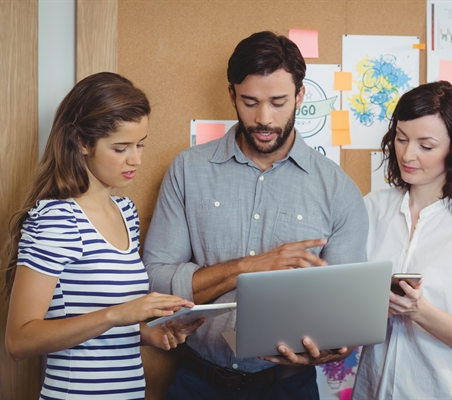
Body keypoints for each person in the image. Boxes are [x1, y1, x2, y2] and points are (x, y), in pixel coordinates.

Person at [143, 31, 369, 399]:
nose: (264, 118)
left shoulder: (339, 190)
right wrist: (249, 267)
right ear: (231, 95)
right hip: (197, 381)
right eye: (250, 102)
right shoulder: (187, 170)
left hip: (288, 388)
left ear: (300, 96)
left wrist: (332, 347)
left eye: (279, 102)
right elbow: (156, 280)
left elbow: (344, 316)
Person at [2, 72, 203, 399]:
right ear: (81, 143)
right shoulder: (57, 219)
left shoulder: (126, 212)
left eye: (140, 144)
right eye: (120, 147)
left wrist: (148, 333)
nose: (135, 159)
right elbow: (20, 341)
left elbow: (99, 330)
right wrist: (117, 314)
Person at [351, 81, 452, 399]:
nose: (408, 154)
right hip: (372, 389)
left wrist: (419, 309)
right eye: (401, 138)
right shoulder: (373, 207)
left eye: (426, 145)